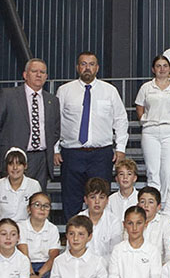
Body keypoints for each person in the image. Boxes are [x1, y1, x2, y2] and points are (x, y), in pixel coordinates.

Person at [55, 51, 129, 219]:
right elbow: (55, 122)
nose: (87, 68)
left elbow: (121, 120)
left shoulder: (109, 91)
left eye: (91, 64)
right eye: (83, 64)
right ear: (77, 67)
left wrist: (121, 148)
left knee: (100, 198)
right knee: (71, 198)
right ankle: (73, 236)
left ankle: (100, 236)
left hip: (101, 154)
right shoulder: (65, 90)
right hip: (71, 153)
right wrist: (55, 149)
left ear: (97, 68)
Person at [0, 58, 59, 190]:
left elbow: (56, 131)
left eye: (42, 72)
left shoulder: (52, 101)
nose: (38, 74)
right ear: (25, 75)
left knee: (37, 201)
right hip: (16, 159)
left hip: (42, 160)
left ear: (46, 76)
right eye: (34, 71)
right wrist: (7, 151)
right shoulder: (9, 95)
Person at [135, 55, 170, 193]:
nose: (162, 69)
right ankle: (154, 206)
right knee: (153, 171)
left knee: (169, 171)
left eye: (165, 66)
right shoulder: (146, 87)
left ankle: (166, 206)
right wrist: (144, 121)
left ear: (169, 68)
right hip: (150, 132)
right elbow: (139, 107)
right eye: (158, 66)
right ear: (153, 69)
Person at [0, 148, 41, 256]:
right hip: (2, 229)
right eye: (11, 164)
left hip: (25, 231)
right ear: (6, 167)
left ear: (25, 166)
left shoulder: (34, 185)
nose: (15, 168)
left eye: (19, 164)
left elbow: (38, 214)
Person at [18, 192, 61, 278]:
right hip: (25, 266)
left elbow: (53, 256)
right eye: (37, 205)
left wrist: (39, 275)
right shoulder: (21, 227)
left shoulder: (52, 229)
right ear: (29, 209)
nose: (42, 209)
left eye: (46, 206)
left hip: (45, 267)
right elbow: (23, 254)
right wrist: (32, 275)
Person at [79, 177, 123, 261]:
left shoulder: (114, 221)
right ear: (86, 200)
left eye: (101, 197)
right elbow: (73, 251)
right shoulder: (78, 220)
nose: (97, 201)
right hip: (83, 268)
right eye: (92, 197)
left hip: (107, 268)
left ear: (107, 200)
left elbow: (115, 254)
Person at [137, 186, 170, 261]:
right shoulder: (133, 221)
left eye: (151, 202)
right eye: (142, 202)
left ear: (158, 207)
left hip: (159, 266)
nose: (146, 205)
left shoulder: (165, 222)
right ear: (138, 205)